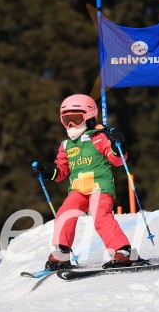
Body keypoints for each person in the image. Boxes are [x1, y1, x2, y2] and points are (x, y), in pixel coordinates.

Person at [33, 93, 145, 271]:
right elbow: (61, 171)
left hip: (100, 186)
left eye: (76, 119)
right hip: (78, 189)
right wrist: (47, 171)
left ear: (90, 117)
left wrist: (119, 146)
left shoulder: (99, 137)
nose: (70, 125)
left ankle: (123, 251)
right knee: (64, 214)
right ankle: (61, 252)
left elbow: (117, 160)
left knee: (100, 217)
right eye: (66, 120)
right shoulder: (66, 145)